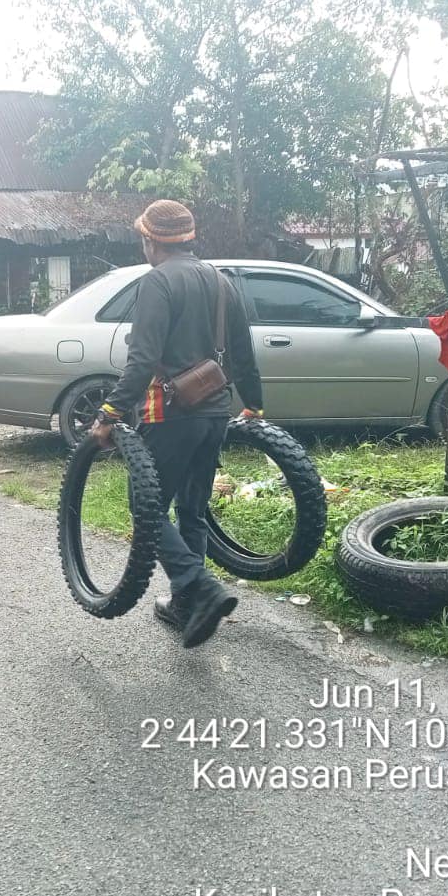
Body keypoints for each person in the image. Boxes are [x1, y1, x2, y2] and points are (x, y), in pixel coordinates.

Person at [91, 199, 263, 649]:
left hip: (170, 413)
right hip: (216, 411)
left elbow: (142, 359)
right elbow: (243, 352)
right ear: (188, 239)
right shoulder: (221, 281)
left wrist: (109, 413)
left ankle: (198, 585)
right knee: (192, 510)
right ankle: (187, 605)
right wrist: (255, 405)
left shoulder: (157, 282)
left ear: (150, 241)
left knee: (146, 508)